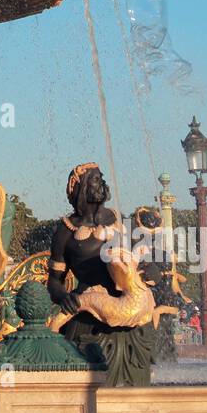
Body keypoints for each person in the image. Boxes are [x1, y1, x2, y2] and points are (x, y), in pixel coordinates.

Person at [47, 162, 153, 386]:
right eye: (96, 179)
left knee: (136, 388)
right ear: (80, 188)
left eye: (102, 178)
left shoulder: (120, 219)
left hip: (131, 320)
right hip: (88, 318)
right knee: (90, 385)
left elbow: (143, 259)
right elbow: (53, 282)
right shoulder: (66, 231)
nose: (102, 183)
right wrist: (64, 297)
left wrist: (151, 272)